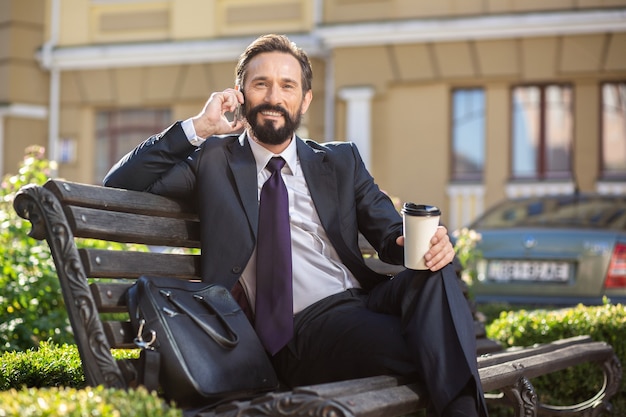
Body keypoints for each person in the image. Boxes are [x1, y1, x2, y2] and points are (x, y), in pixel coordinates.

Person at [104, 33, 488, 417]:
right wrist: (200, 127)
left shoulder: (340, 161)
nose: (274, 96)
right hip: (299, 331)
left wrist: (429, 244)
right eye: (261, 84)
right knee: (436, 345)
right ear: (240, 94)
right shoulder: (212, 162)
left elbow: (391, 236)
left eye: (287, 85)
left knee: (436, 270)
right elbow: (119, 184)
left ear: (305, 99)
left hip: (365, 302)